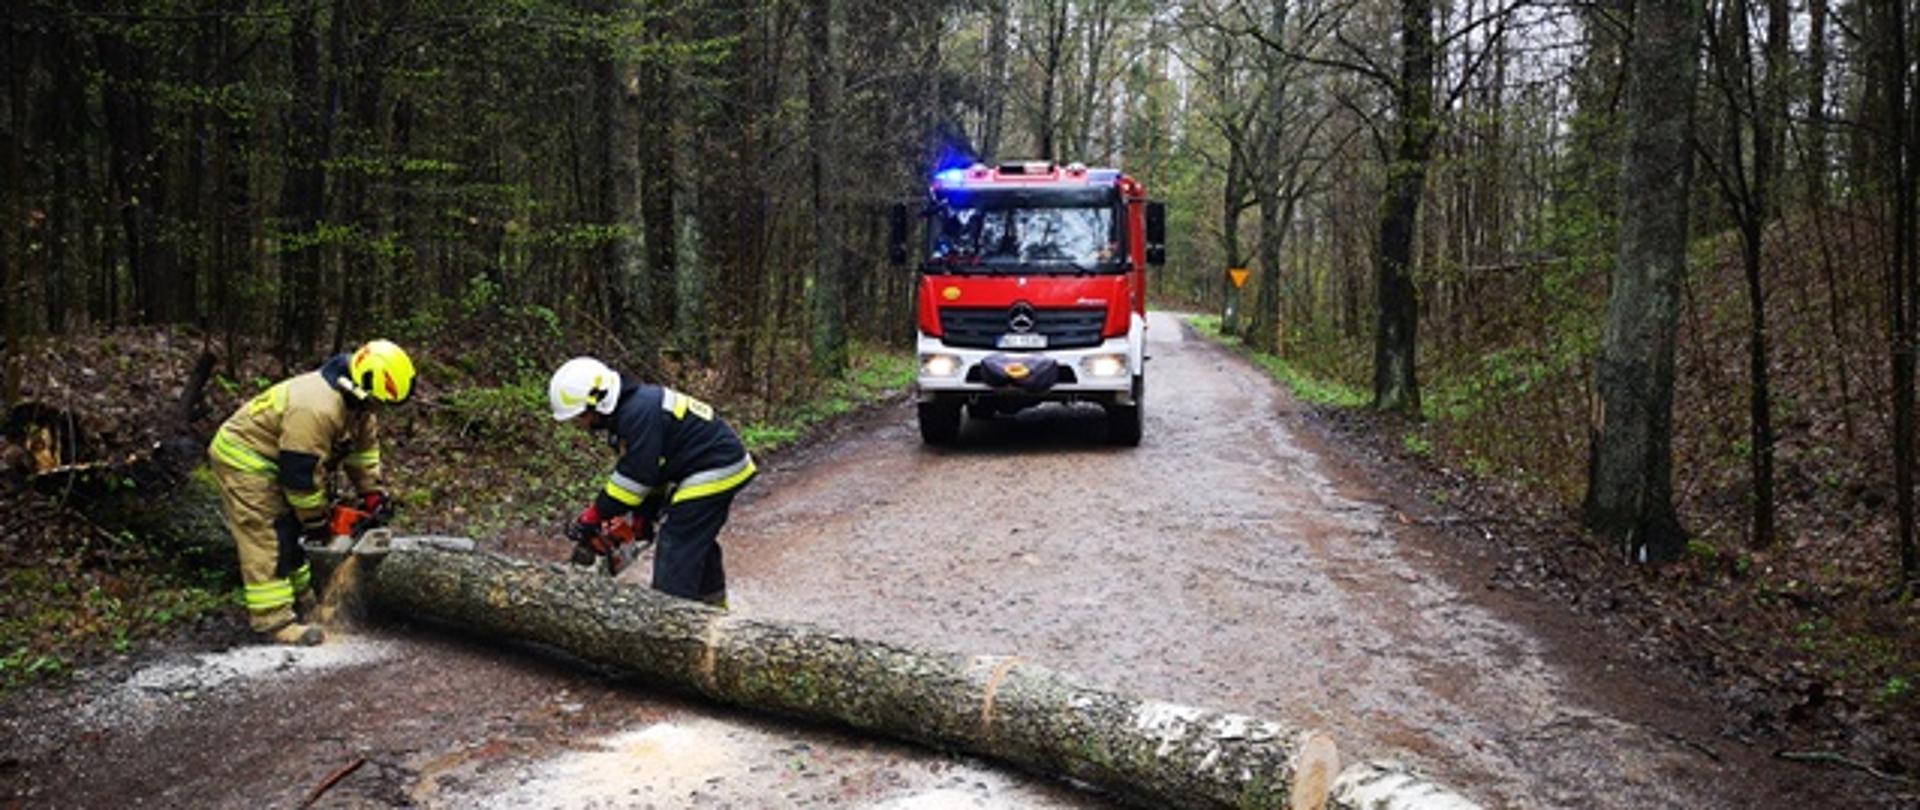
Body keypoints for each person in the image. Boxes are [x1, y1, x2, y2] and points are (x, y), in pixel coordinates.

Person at [207, 340, 415, 645]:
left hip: (282, 462)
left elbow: (363, 456)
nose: (378, 411)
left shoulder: (360, 409)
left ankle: (304, 603)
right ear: (362, 388)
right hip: (245, 459)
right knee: (268, 534)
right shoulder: (316, 407)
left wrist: (373, 493)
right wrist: (317, 520)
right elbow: (300, 478)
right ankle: (274, 622)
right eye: (377, 403)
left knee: (291, 531)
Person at [548, 356, 755, 607]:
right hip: (706, 464)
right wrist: (644, 515)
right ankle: (712, 610)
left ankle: (671, 620)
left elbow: (635, 476)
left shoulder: (637, 413)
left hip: (716, 466)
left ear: (597, 403)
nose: (581, 425)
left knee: (677, 540)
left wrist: (594, 515)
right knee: (695, 539)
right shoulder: (632, 410)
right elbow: (654, 471)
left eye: (581, 417)